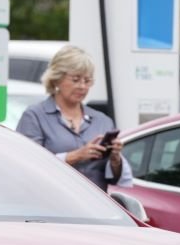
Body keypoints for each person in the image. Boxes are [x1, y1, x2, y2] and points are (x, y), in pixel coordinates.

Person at [14, 44, 131, 188]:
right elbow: (27, 165)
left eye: (87, 81)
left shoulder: (103, 121)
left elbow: (116, 180)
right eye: (75, 80)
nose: (82, 86)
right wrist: (75, 156)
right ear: (56, 79)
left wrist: (115, 159)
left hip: (95, 205)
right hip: (51, 202)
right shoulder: (34, 116)